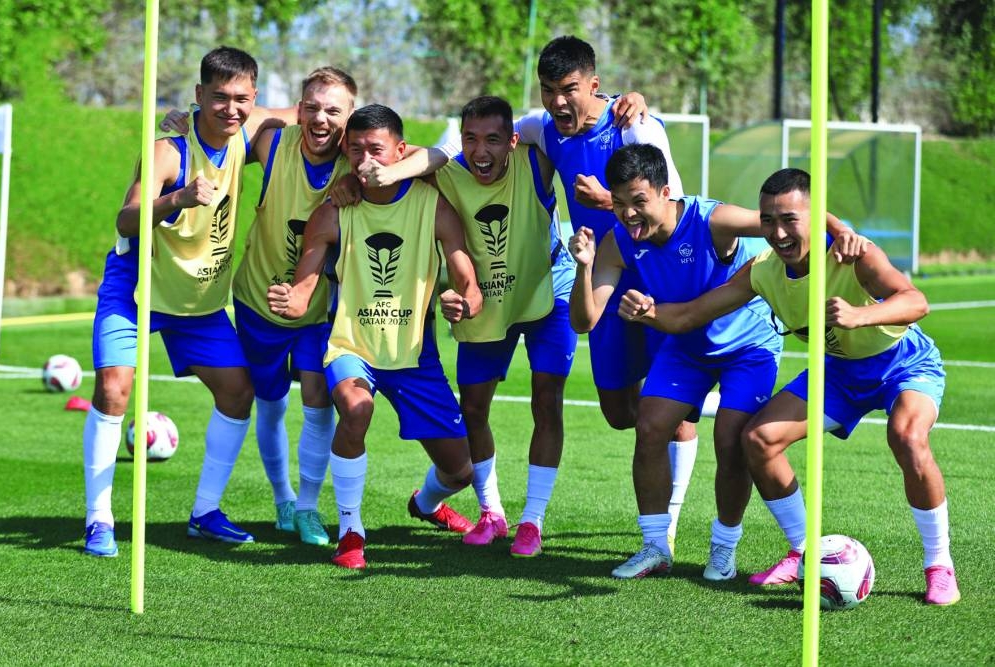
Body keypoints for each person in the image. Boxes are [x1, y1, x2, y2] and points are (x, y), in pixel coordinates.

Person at [357, 36, 705, 553]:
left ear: (594, 85)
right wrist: (382, 175)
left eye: (569, 90)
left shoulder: (636, 126)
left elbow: (671, 205)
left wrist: (609, 201)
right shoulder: (542, 130)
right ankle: (490, 511)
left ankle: (664, 524)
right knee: (618, 413)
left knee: (667, 411)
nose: (558, 101)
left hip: (652, 281)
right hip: (600, 281)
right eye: (548, 90)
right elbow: (456, 148)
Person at [648, 168, 960, 606]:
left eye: (790, 220)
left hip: (903, 364)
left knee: (907, 436)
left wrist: (859, 315)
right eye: (768, 221)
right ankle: (803, 551)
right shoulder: (763, 271)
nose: (778, 233)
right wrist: (647, 312)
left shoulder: (852, 253)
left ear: (814, 217)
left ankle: (939, 565)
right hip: (839, 372)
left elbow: (915, 301)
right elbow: (689, 316)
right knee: (759, 440)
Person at [569, 145, 863, 580]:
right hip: (685, 345)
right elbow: (584, 321)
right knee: (650, 427)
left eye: (638, 201)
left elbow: (784, 221)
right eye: (619, 202)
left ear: (665, 192)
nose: (628, 213)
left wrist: (842, 231)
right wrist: (583, 267)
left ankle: (723, 550)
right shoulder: (617, 243)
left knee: (730, 439)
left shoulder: (712, 220)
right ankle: (655, 547)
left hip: (748, 346)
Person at [81, 46, 295, 557]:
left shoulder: (248, 129)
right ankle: (98, 519)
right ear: (199, 94)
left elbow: (307, 112)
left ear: (254, 97)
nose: (231, 108)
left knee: (237, 393)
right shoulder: (167, 150)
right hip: (138, 289)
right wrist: (176, 198)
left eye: (241, 98)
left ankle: (205, 512)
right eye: (219, 97)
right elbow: (125, 219)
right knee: (114, 389)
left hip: (198, 301)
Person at [267, 104, 482, 570]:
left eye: (377, 150)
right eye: (357, 150)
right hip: (352, 346)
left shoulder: (433, 206)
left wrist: (464, 302)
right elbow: (303, 291)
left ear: (400, 151)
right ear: (345, 152)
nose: (366, 161)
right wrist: (292, 299)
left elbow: (470, 285)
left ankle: (425, 503)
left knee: (460, 470)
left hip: (414, 356)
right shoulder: (332, 213)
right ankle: (351, 530)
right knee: (356, 407)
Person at [409, 95, 579, 557]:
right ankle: (492, 513)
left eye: (492, 139)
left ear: (513, 140)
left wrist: (627, 103)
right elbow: (393, 170)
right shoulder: (444, 173)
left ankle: (532, 521)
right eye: (470, 139)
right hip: (481, 298)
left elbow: (581, 129)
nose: (480, 151)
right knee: (474, 406)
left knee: (547, 399)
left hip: (549, 286)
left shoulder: (536, 161)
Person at [227, 67, 358, 546]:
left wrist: (360, 183)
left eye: (334, 111)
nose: (321, 119)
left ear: (350, 117)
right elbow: (235, 116)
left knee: (318, 399)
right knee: (270, 403)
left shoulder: (357, 163)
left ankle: (307, 508)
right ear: (299, 109)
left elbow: (419, 157)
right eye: (312, 108)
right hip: (257, 300)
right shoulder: (272, 143)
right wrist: (189, 116)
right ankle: (282, 498)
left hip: (317, 309)